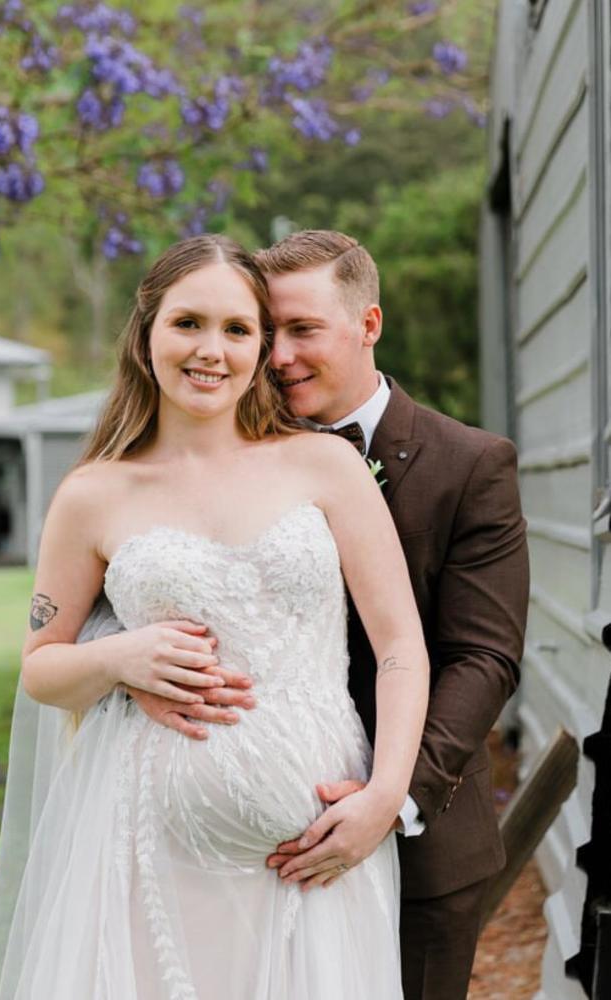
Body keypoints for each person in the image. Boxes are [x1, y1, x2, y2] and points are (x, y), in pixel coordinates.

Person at [0, 234, 429, 1000]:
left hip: (319, 856)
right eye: (187, 323)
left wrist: (383, 799)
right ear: (146, 332)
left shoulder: (323, 465)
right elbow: (41, 666)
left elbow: (399, 649)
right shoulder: (95, 493)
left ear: (261, 347)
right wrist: (117, 659)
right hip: (146, 850)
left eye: (236, 329)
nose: (210, 351)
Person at [130, 230, 529, 1000]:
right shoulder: (212, 447)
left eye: (303, 330)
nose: (277, 357)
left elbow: (484, 658)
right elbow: (147, 580)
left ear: (368, 324)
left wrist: (392, 797)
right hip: (230, 843)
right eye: (266, 332)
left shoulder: (470, 466)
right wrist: (134, 669)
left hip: (419, 838)